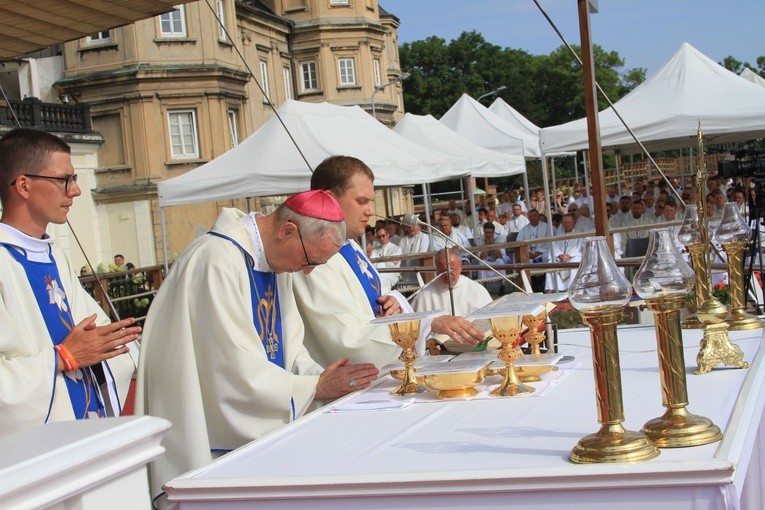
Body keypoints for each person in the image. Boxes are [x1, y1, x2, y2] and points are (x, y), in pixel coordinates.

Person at [136, 190, 379, 500]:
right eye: (308, 260)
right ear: (288, 230)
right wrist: (313, 388)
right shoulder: (216, 261)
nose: (307, 271)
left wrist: (321, 377)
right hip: (212, 436)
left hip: (258, 426)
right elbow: (231, 370)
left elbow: (288, 345)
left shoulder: (272, 261)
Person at [0, 128, 138, 436]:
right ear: (23, 185)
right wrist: (64, 357)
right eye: (64, 180)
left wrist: (119, 342)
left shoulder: (56, 256)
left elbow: (97, 338)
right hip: (33, 456)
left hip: (86, 435)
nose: (74, 191)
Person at [291, 156, 484, 369]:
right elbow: (348, 340)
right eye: (362, 201)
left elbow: (380, 294)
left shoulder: (350, 245)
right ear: (329, 199)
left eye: (371, 201)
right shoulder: (315, 256)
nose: (371, 211)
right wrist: (426, 323)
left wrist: (395, 301)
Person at [412, 248, 492, 317]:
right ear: (437, 269)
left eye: (452, 269)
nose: (448, 273)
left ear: (460, 267)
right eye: (443, 270)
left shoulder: (477, 290)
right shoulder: (425, 294)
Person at [545, 214, 582, 292]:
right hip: (560, 257)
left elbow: (580, 248)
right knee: (551, 263)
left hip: (573, 257)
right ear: (562, 223)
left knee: (573, 265)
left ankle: (571, 290)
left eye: (569, 222)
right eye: (565, 222)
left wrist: (570, 255)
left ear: (573, 223)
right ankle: (550, 290)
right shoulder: (558, 234)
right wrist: (559, 254)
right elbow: (553, 246)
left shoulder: (579, 234)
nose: (567, 225)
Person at [516, 209, 550, 293]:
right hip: (529, 255)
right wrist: (527, 253)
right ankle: (529, 288)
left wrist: (537, 253)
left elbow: (550, 242)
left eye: (534, 216)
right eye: (530, 217)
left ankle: (544, 286)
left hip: (542, 253)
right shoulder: (524, 229)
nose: (532, 218)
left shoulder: (547, 227)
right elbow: (519, 242)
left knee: (547, 257)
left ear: (538, 216)